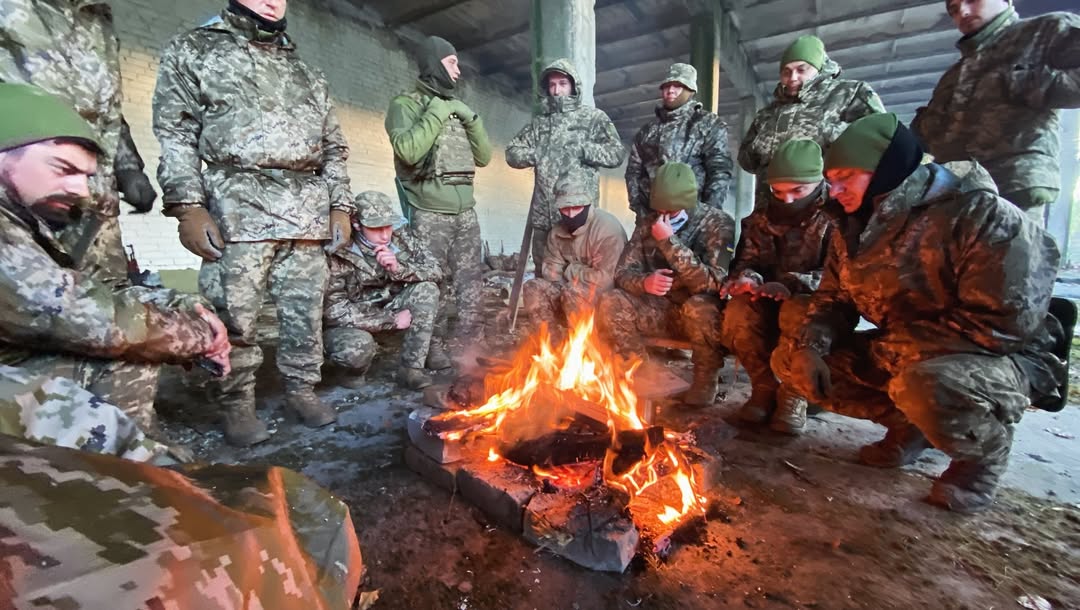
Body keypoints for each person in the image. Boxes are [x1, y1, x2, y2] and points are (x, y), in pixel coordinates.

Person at [771, 113, 1064, 513]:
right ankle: (911, 427)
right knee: (789, 362)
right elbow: (834, 300)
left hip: (997, 357)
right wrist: (810, 345)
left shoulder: (979, 214)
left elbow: (1005, 326)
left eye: (847, 176)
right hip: (910, 349)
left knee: (922, 384)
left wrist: (896, 352)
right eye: (831, 177)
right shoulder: (853, 224)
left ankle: (982, 456)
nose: (833, 189)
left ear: (887, 169)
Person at [153, 0, 355, 447]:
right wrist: (188, 204)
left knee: (305, 315)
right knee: (235, 316)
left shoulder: (306, 72)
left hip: (305, 212)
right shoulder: (195, 49)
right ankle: (236, 403)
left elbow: (334, 148)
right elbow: (176, 133)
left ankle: (301, 389)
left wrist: (340, 206)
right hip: (236, 207)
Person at [0, 84, 231, 462]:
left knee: (135, 341)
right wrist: (203, 336)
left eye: (87, 176)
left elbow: (97, 293)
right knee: (125, 350)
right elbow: (85, 318)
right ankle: (120, 475)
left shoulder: (24, 219)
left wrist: (186, 304)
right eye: (62, 169)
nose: (81, 190)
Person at [0, 0, 159, 285]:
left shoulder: (97, 16)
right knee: (30, 310)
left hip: (94, 205)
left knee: (105, 303)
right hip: (23, 203)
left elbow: (107, 107)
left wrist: (127, 166)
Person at [911, 0, 1080, 221]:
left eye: (971, 0)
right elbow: (927, 133)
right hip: (953, 193)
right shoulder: (956, 73)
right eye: (953, 9)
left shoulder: (1046, 30)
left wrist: (1027, 83)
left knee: (1008, 254)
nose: (962, 11)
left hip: (1010, 187)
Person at [386, 35, 492, 358]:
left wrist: (468, 116)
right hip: (429, 211)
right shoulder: (404, 106)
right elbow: (407, 151)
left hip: (465, 212)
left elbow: (485, 156)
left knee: (470, 282)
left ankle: (470, 346)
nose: (458, 71)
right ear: (434, 63)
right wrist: (436, 112)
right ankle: (431, 348)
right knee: (433, 283)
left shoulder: (458, 110)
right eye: (451, 63)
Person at [597, 162, 735, 406]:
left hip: (701, 318)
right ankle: (641, 371)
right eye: (660, 208)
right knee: (611, 301)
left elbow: (714, 283)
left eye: (672, 210)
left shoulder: (719, 223)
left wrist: (668, 242)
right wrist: (645, 283)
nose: (664, 214)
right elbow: (622, 272)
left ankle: (705, 379)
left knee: (700, 306)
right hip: (660, 311)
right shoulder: (647, 223)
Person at [721, 139, 833, 434]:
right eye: (778, 191)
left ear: (818, 182)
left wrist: (791, 285)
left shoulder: (837, 216)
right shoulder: (760, 217)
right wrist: (747, 279)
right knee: (738, 312)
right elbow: (748, 260)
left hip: (821, 306)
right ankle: (764, 387)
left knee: (798, 312)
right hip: (769, 298)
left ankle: (794, 396)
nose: (786, 199)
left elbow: (842, 276)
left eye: (798, 191)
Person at [739, 35, 885, 212]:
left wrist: (827, 132)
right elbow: (746, 162)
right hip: (771, 209)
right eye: (786, 71)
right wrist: (760, 145)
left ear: (819, 68)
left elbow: (880, 141)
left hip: (829, 208)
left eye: (802, 70)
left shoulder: (850, 93)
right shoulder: (768, 113)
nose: (793, 77)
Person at [507, 58, 625, 273]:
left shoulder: (593, 118)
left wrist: (584, 150)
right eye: (552, 85)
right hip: (546, 213)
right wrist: (537, 154)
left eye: (562, 84)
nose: (557, 90)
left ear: (573, 86)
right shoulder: (540, 124)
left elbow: (616, 153)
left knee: (582, 271)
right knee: (546, 273)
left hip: (579, 217)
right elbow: (512, 153)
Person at [323, 191, 444, 390]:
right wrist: (389, 321)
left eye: (388, 226)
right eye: (376, 228)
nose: (385, 235)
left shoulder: (399, 236)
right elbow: (334, 311)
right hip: (351, 322)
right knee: (356, 351)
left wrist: (399, 269)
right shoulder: (338, 249)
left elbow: (435, 270)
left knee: (427, 289)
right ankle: (351, 372)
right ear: (356, 223)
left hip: (389, 306)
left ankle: (411, 369)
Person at [521, 173, 628, 341]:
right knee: (532, 287)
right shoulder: (557, 232)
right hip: (569, 292)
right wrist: (573, 281)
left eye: (576, 208)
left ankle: (587, 350)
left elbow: (606, 280)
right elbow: (550, 273)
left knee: (573, 291)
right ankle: (551, 348)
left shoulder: (607, 229)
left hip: (606, 302)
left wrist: (570, 270)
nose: (571, 215)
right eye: (565, 209)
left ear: (587, 204)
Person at [625, 63, 733, 220]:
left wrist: (708, 215)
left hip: (693, 218)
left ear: (690, 90)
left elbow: (719, 170)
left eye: (678, 85)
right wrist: (640, 210)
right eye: (666, 86)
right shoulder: (647, 131)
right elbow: (633, 173)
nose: (670, 90)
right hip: (653, 217)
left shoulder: (708, 124)